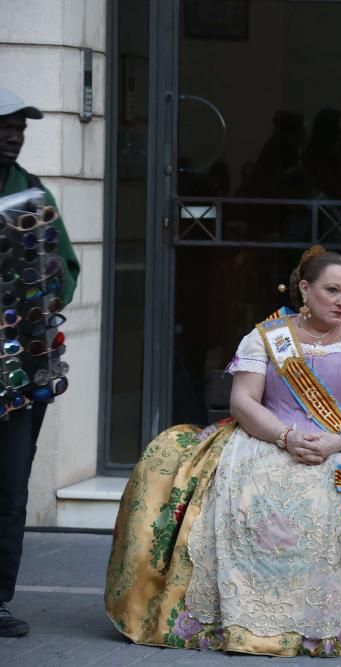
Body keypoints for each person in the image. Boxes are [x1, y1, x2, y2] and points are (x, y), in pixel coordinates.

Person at [105, 247, 341, 657]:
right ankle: (246, 619)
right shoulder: (267, 335)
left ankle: (314, 625)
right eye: (332, 290)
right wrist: (286, 438)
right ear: (305, 288)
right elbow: (244, 401)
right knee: (252, 494)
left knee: (324, 501)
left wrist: (338, 441)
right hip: (268, 440)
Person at [0, 87, 80, 638]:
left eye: (20, 127)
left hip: (21, 371)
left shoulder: (32, 193)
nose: (13, 134)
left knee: (9, 486)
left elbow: (67, 271)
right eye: (4, 125)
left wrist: (42, 292)